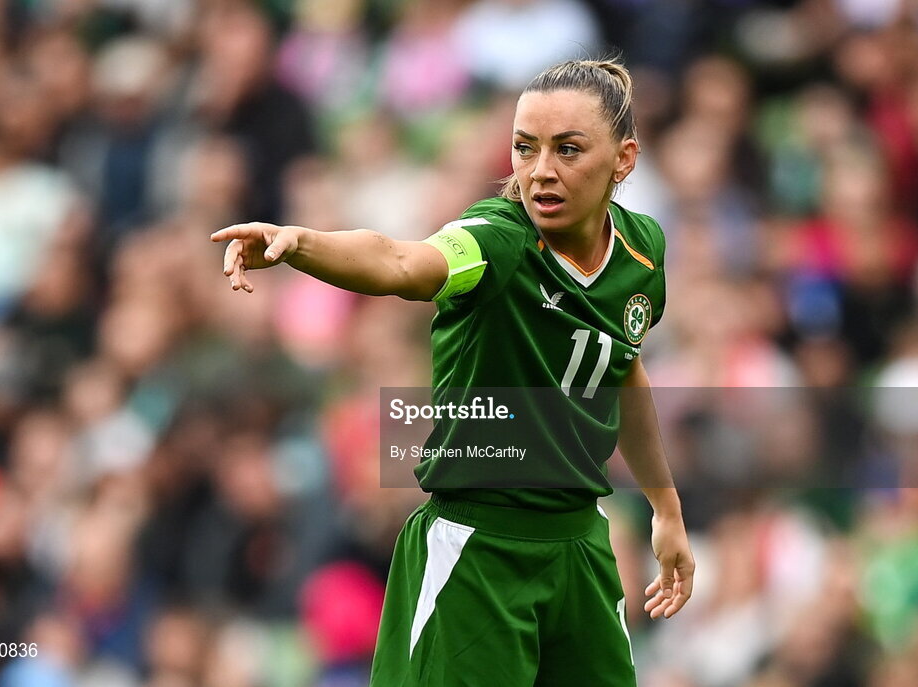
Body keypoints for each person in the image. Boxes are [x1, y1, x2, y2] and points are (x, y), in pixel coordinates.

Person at [211, 58, 694, 687]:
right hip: (478, 546)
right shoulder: (495, 241)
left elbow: (622, 372)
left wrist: (666, 508)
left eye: (568, 149)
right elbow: (400, 262)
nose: (540, 170)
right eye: (526, 148)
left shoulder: (643, 250)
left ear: (624, 159)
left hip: (581, 548)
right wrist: (301, 243)